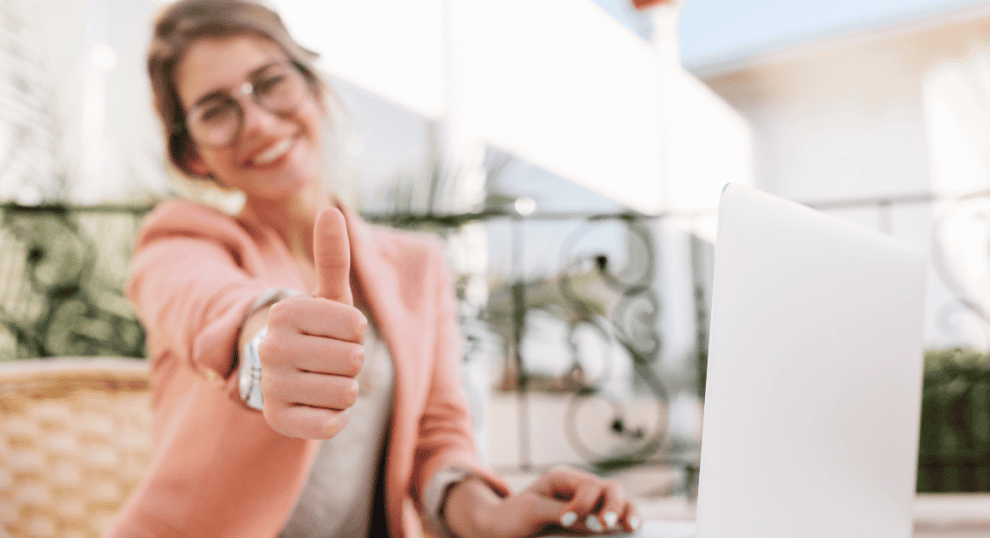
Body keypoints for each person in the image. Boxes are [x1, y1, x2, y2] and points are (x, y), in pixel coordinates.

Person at [107, 1, 643, 537]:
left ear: (313, 89)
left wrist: (492, 516)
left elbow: (437, 439)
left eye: (270, 83)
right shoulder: (179, 239)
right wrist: (261, 339)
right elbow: (203, 302)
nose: (258, 122)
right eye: (216, 110)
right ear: (194, 155)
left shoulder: (417, 266)